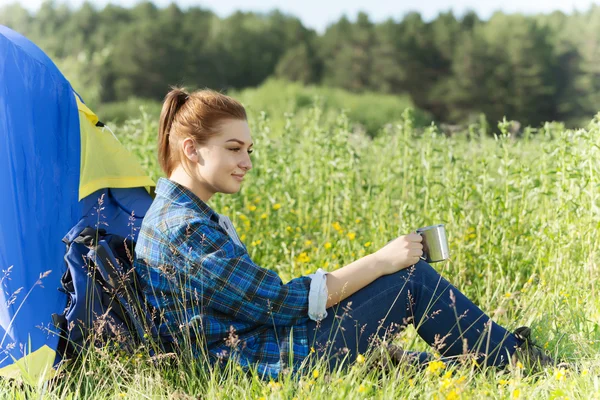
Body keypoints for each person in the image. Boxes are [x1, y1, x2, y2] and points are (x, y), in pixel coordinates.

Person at [133, 87, 555, 379]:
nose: (246, 161)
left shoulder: (183, 215)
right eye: (233, 148)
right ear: (191, 149)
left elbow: (257, 306)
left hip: (263, 348)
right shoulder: (183, 227)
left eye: (249, 149)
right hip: (265, 365)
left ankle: (478, 361)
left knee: (409, 336)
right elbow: (279, 303)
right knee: (408, 280)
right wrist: (380, 261)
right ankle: (522, 365)